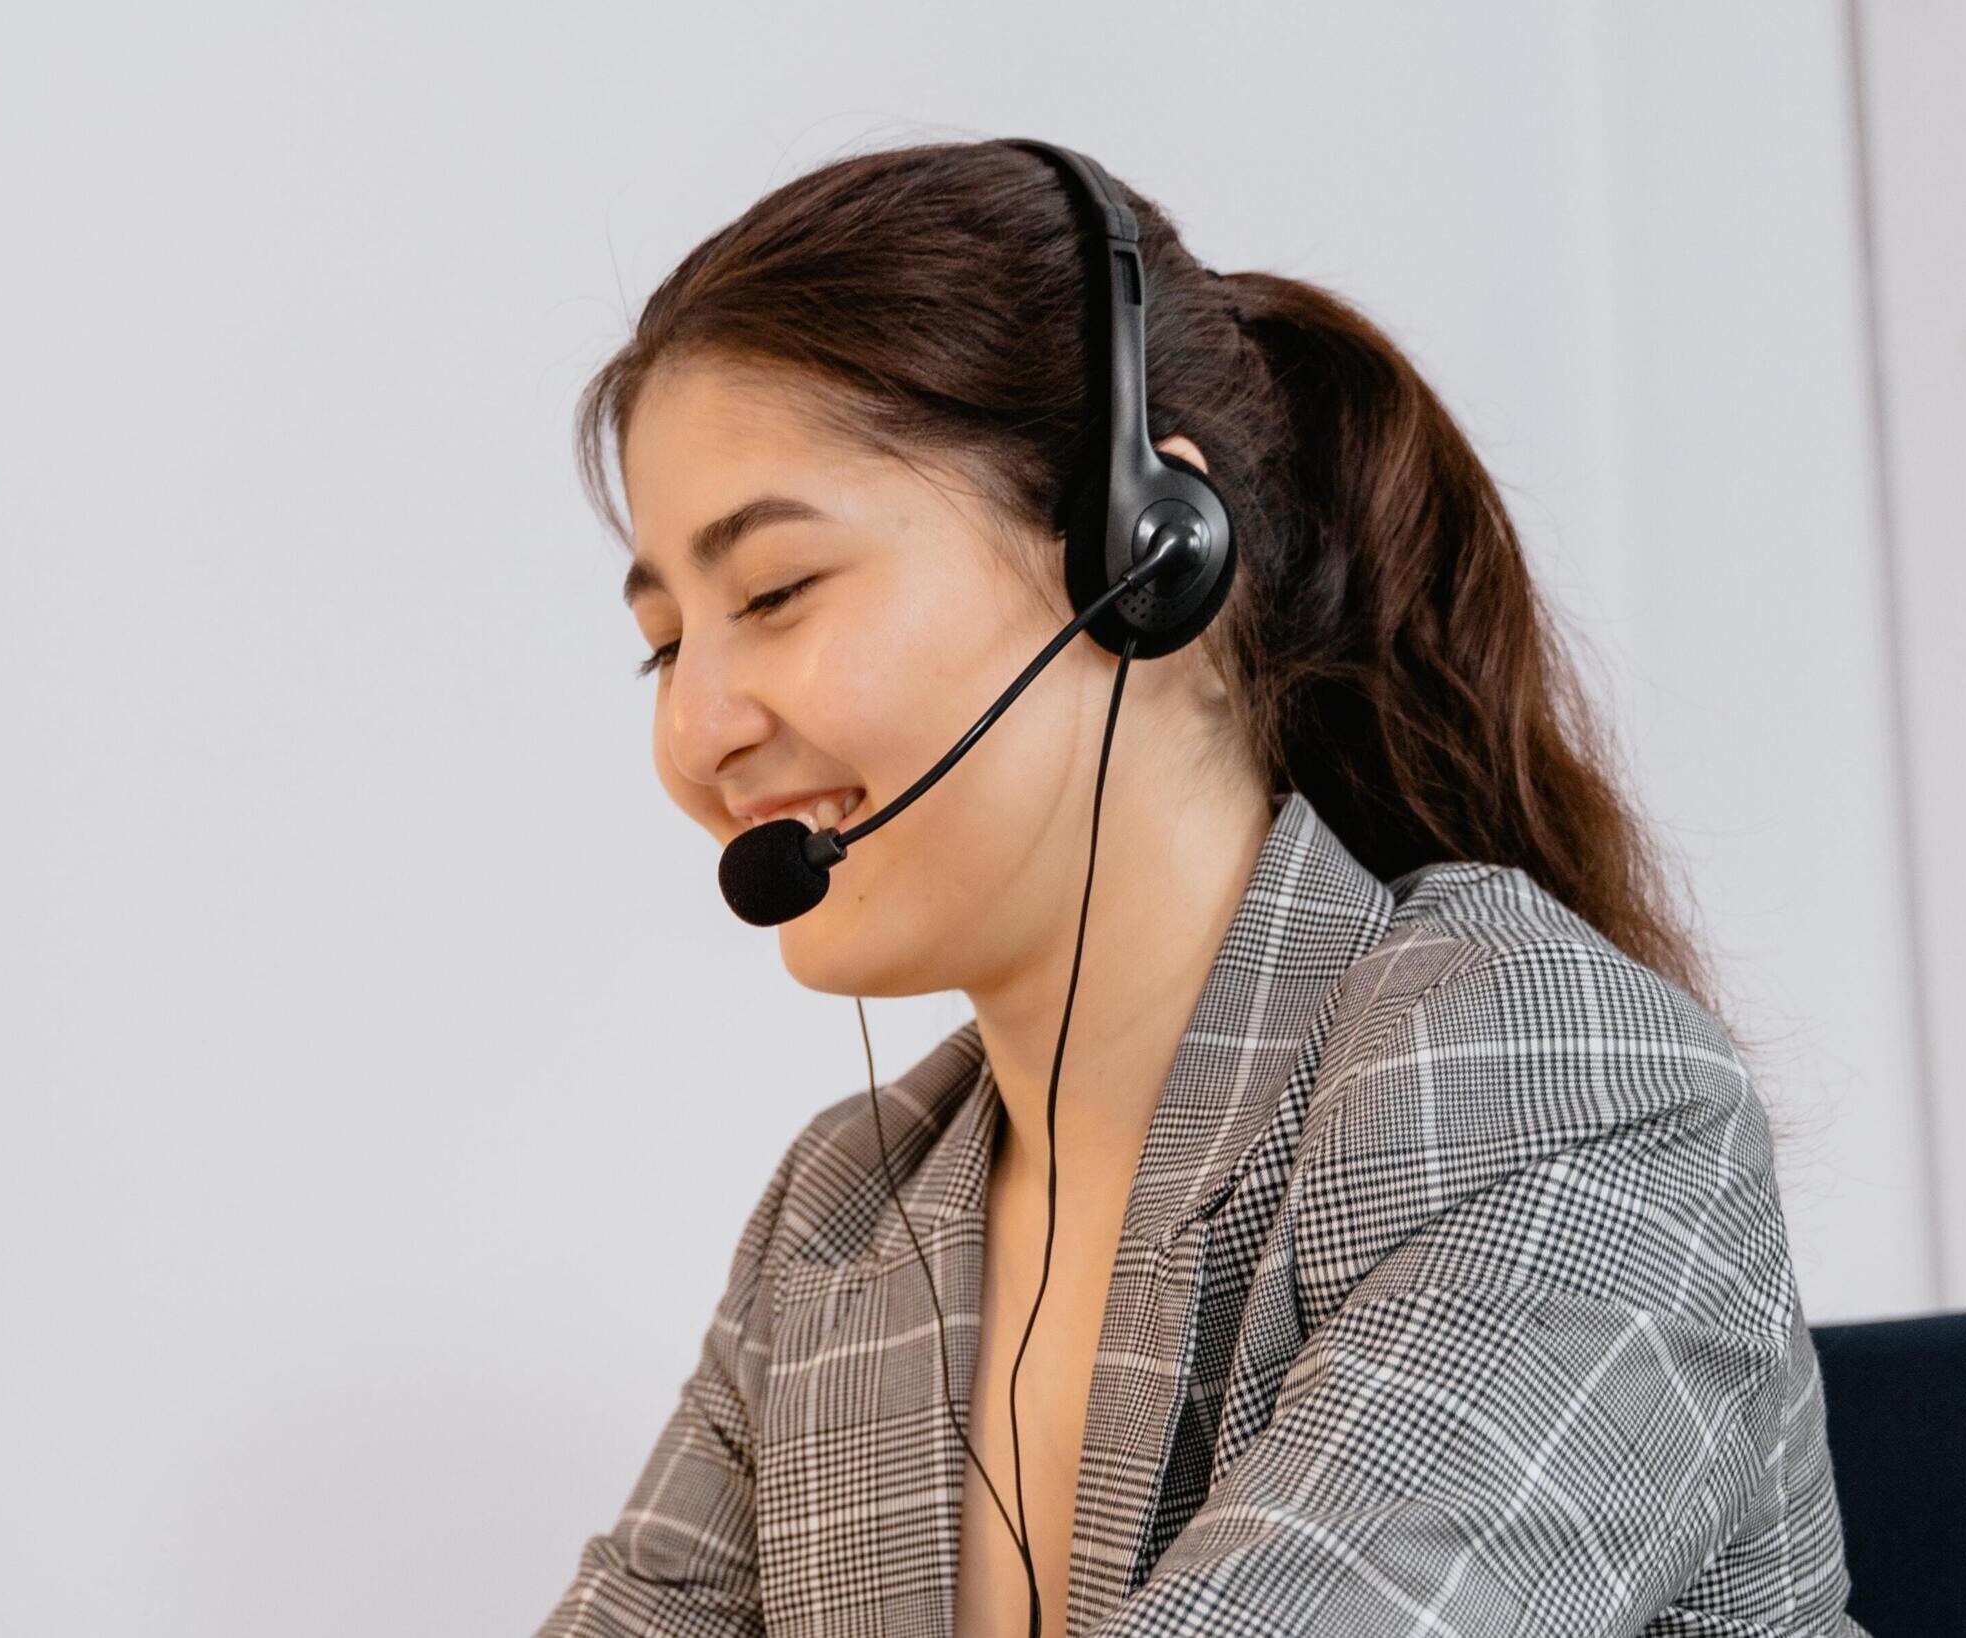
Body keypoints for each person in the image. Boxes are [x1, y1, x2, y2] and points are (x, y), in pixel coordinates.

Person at [534, 139, 1868, 1638]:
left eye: (774, 593)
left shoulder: (1541, 1078)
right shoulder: (839, 1223)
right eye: (664, 642)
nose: (694, 733)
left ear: (1140, 556)